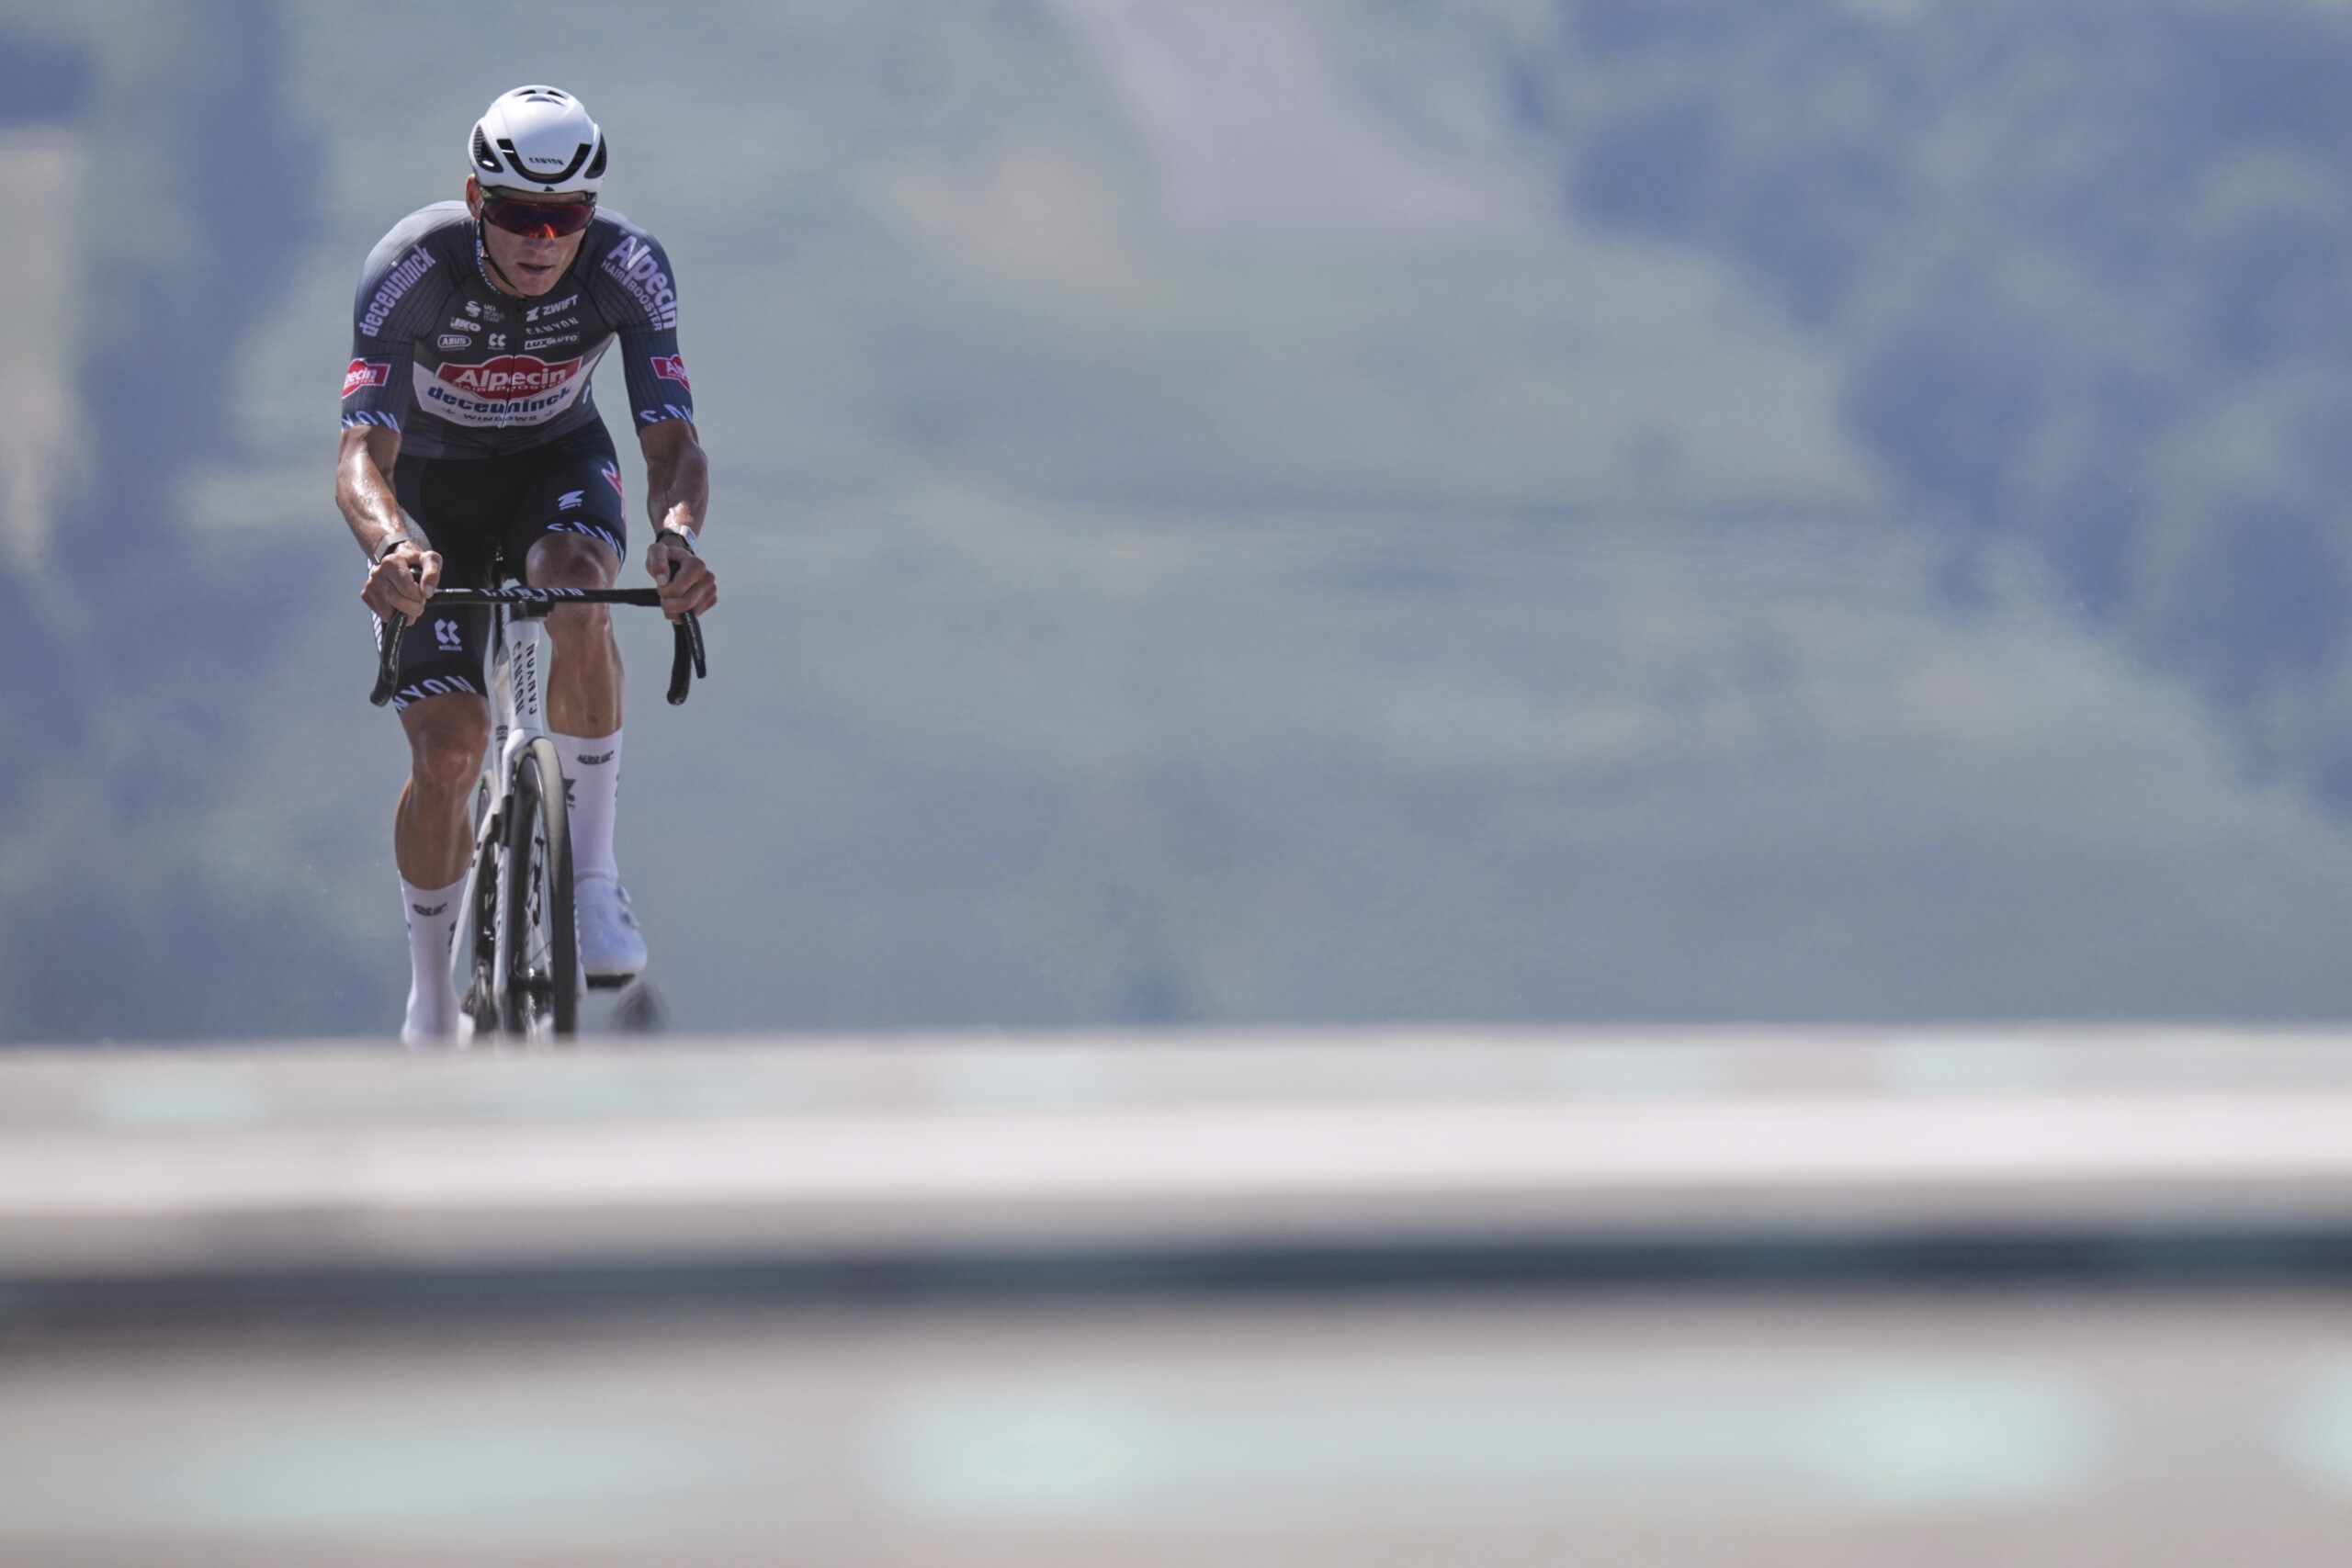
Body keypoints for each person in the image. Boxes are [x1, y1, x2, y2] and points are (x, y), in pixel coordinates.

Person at [334, 85, 718, 1041]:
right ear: (476, 199)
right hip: (431, 495)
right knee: (448, 747)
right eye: (517, 215)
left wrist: (677, 539)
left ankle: (593, 881)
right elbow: (360, 457)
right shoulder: (410, 268)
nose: (543, 240)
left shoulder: (628, 268)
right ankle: (431, 1000)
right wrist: (390, 547)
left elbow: (673, 445)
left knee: (580, 593)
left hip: (556, 465)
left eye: (566, 218)